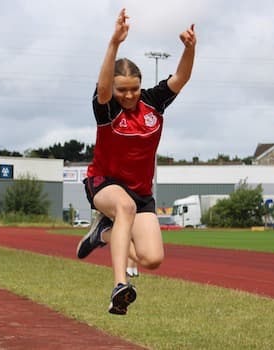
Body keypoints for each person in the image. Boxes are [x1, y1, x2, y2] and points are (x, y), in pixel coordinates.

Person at [75, 8, 195, 315]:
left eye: (134, 88)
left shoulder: (153, 102)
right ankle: (119, 285)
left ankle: (102, 232)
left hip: (141, 193)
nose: (128, 95)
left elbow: (180, 78)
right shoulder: (108, 109)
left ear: (141, 85)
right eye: (122, 89)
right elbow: (102, 90)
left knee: (152, 258)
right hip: (104, 183)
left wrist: (189, 48)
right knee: (123, 207)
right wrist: (114, 43)